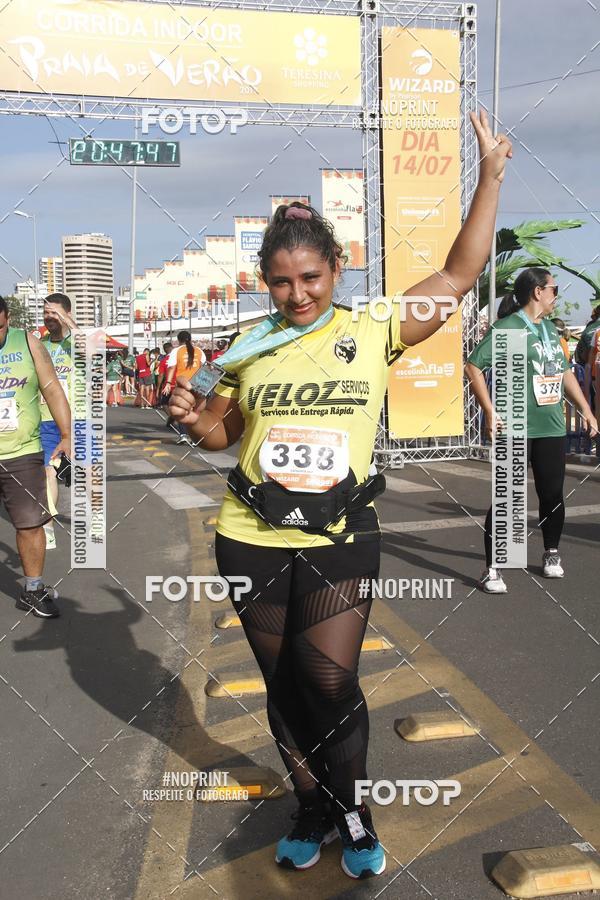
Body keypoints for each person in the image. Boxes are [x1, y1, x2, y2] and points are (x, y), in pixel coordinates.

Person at [168, 111, 511, 879]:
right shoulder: (245, 348)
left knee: (327, 677)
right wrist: (195, 422)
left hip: (340, 533)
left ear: (339, 268)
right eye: (283, 282)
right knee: (285, 684)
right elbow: (223, 437)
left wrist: (488, 177)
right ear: (267, 282)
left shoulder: (377, 326)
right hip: (250, 532)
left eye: (312, 279)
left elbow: (457, 277)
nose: (297, 295)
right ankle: (312, 805)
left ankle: (353, 807)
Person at [466, 268, 598, 594]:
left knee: (552, 494)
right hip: (515, 426)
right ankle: (492, 568)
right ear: (537, 292)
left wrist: (585, 409)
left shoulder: (550, 330)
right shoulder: (508, 328)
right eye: (554, 289)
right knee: (508, 499)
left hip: (550, 427)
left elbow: (564, 372)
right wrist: (490, 410)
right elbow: (473, 366)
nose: (557, 295)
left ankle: (551, 552)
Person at [0, 297, 71, 617]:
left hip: (22, 452)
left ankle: (32, 588)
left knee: (30, 524)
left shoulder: (27, 343)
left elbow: (53, 388)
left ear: (8, 318)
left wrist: (67, 435)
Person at [39, 293, 76, 550]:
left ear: (66, 314)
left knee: (84, 478)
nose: (48, 317)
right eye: (45, 312)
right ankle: (48, 526)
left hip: (78, 421)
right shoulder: (39, 345)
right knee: (46, 472)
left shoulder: (78, 342)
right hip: (45, 421)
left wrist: (69, 323)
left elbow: (93, 350)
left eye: (54, 313)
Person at [163, 330, 205, 443]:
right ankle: (196, 437)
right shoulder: (199, 350)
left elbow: (171, 367)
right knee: (196, 411)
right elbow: (205, 367)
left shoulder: (176, 351)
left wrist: (167, 383)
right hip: (198, 384)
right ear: (190, 339)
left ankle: (184, 435)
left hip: (183, 384)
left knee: (181, 409)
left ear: (178, 340)